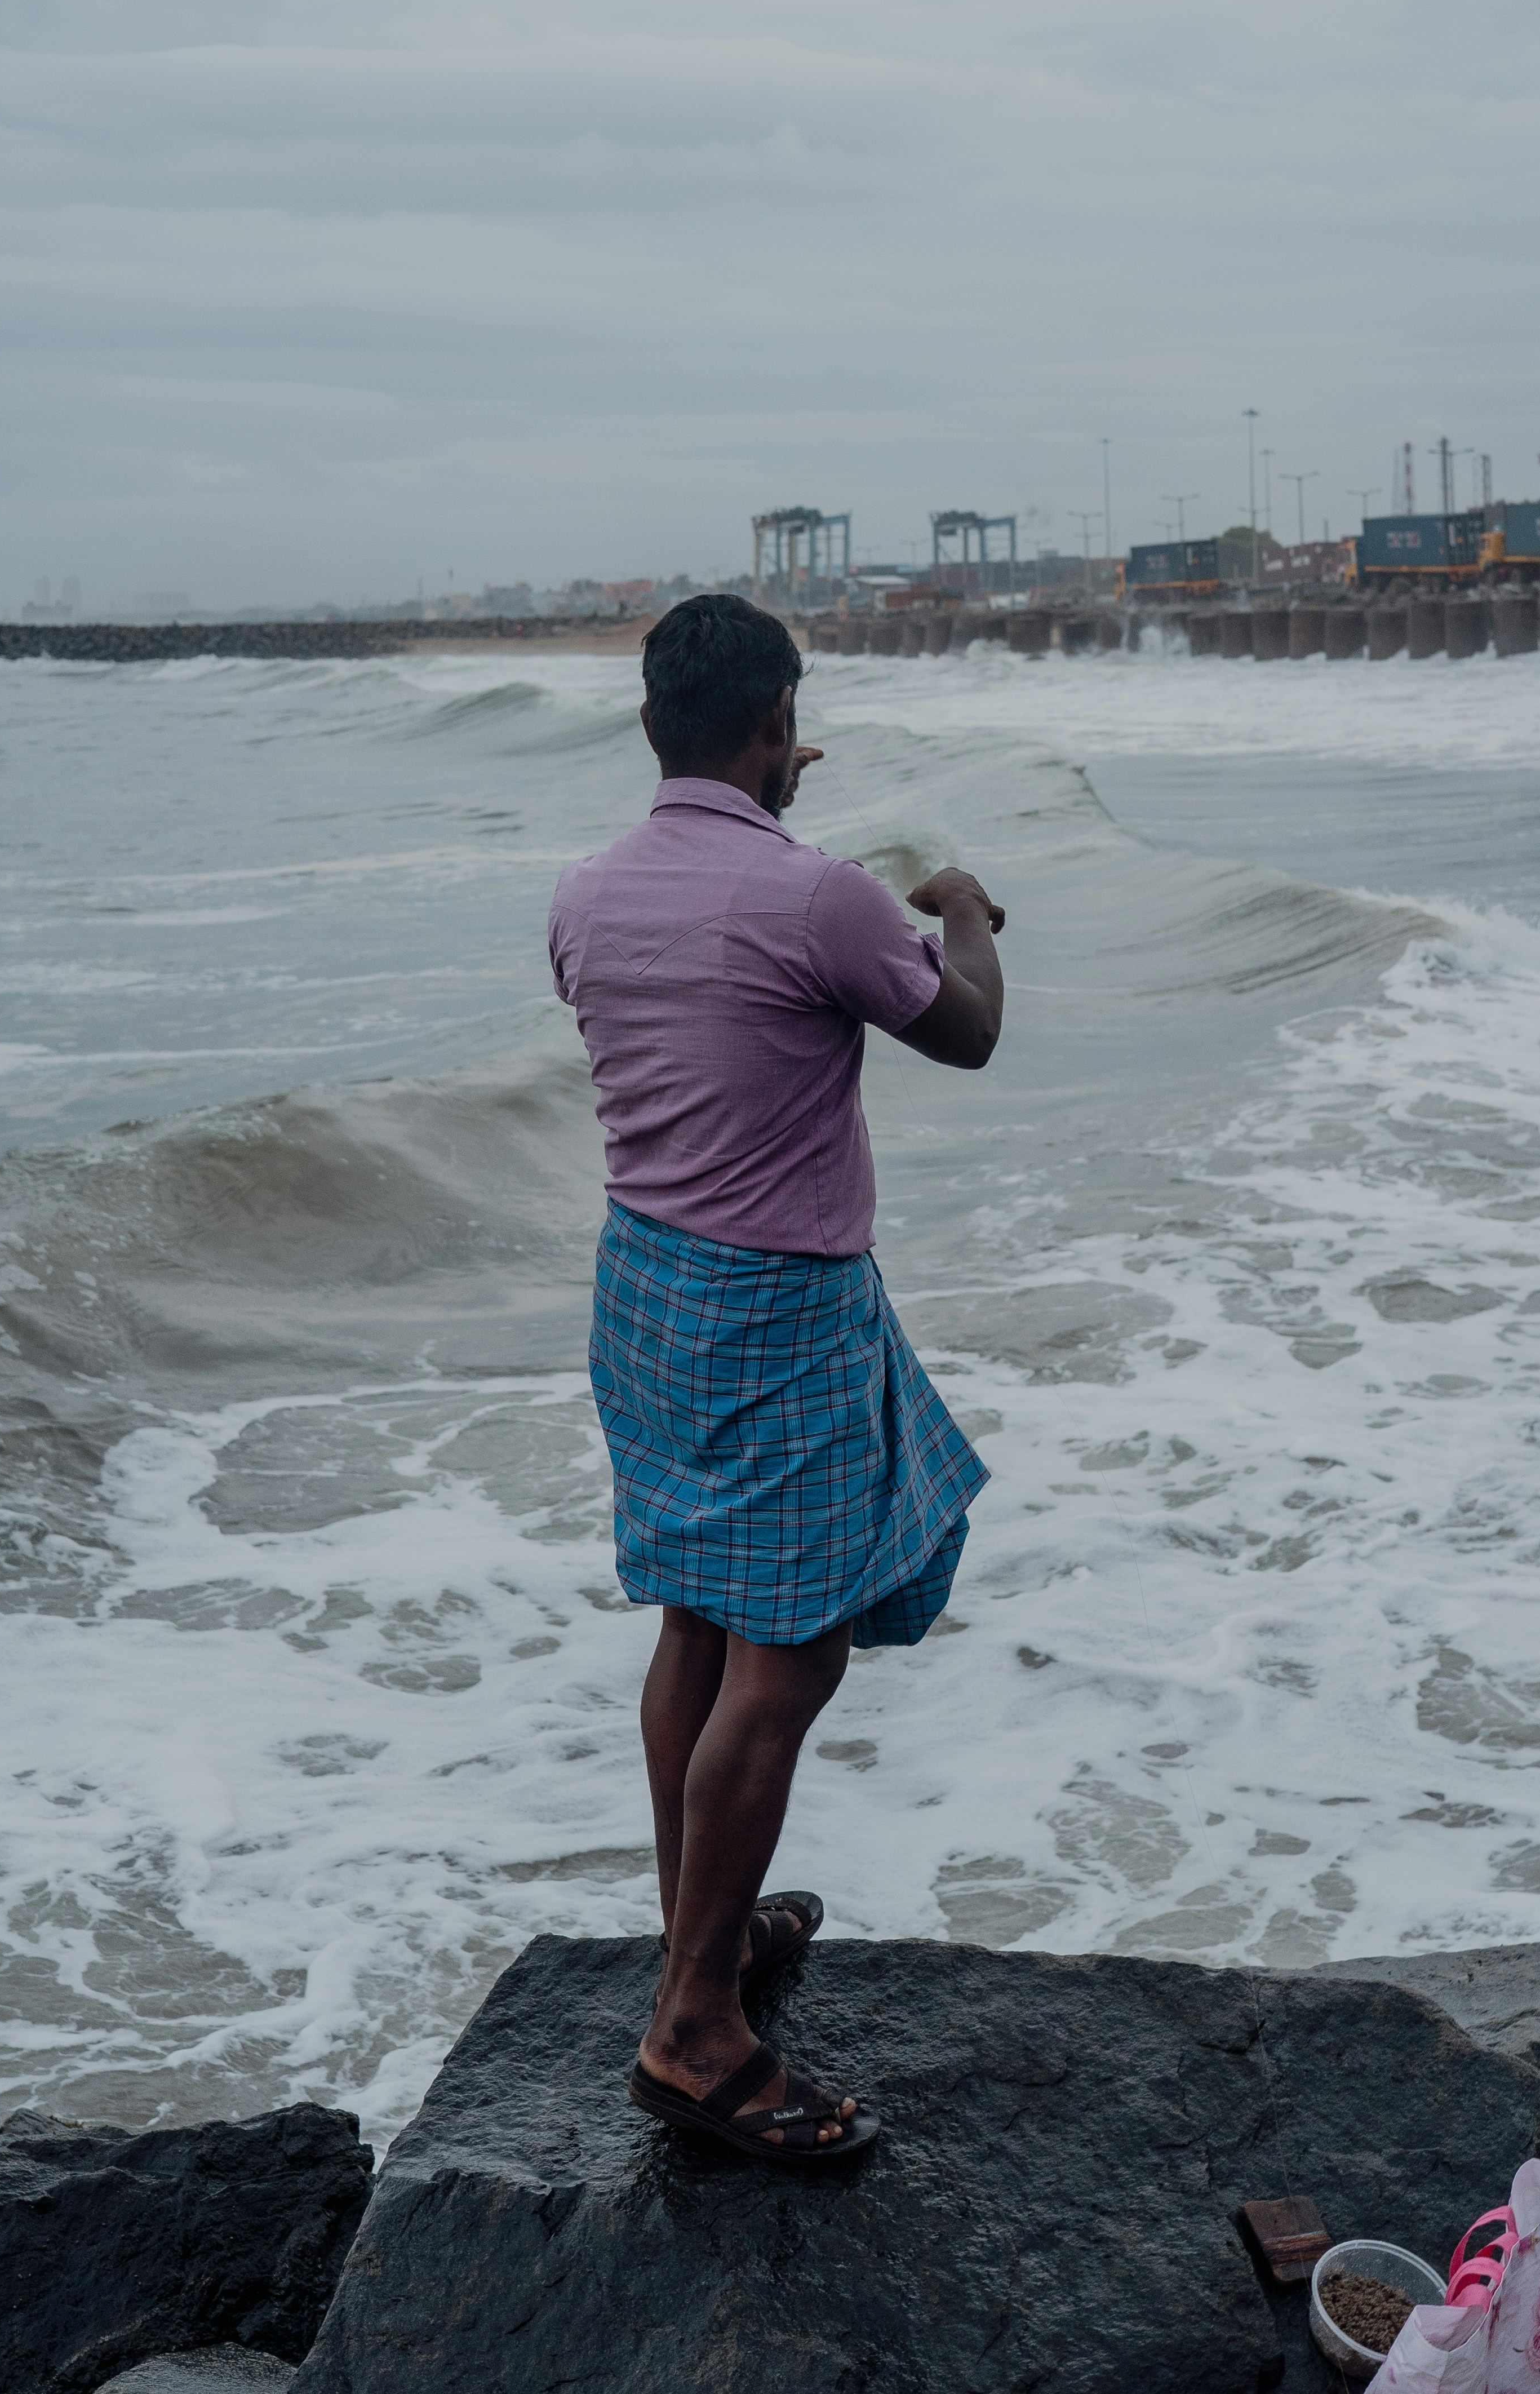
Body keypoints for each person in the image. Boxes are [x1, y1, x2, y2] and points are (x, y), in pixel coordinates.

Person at [547, 592, 1004, 2165]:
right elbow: (967, 1039)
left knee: (696, 1613)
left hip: (644, 1292)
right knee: (790, 1658)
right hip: (779, 1308)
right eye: (792, 724)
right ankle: (694, 2029)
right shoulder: (823, 900)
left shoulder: (584, 896)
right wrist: (964, 919)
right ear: (770, 725)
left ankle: (708, 1942)